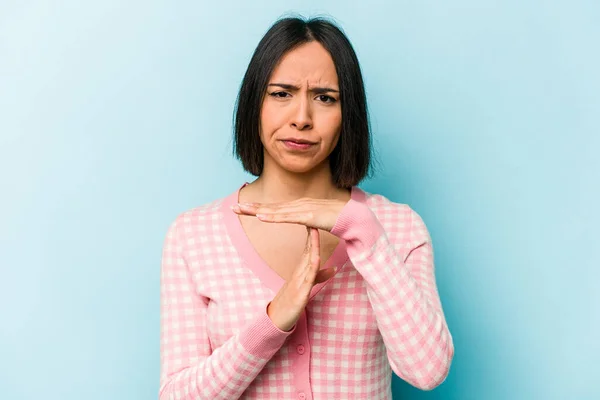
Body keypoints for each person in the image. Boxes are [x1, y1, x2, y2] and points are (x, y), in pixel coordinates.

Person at [159, 16, 454, 400]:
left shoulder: (397, 228)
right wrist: (270, 322)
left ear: (348, 115)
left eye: (325, 98)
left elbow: (427, 371)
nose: (301, 118)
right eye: (281, 93)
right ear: (254, 104)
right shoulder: (194, 235)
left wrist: (364, 233)